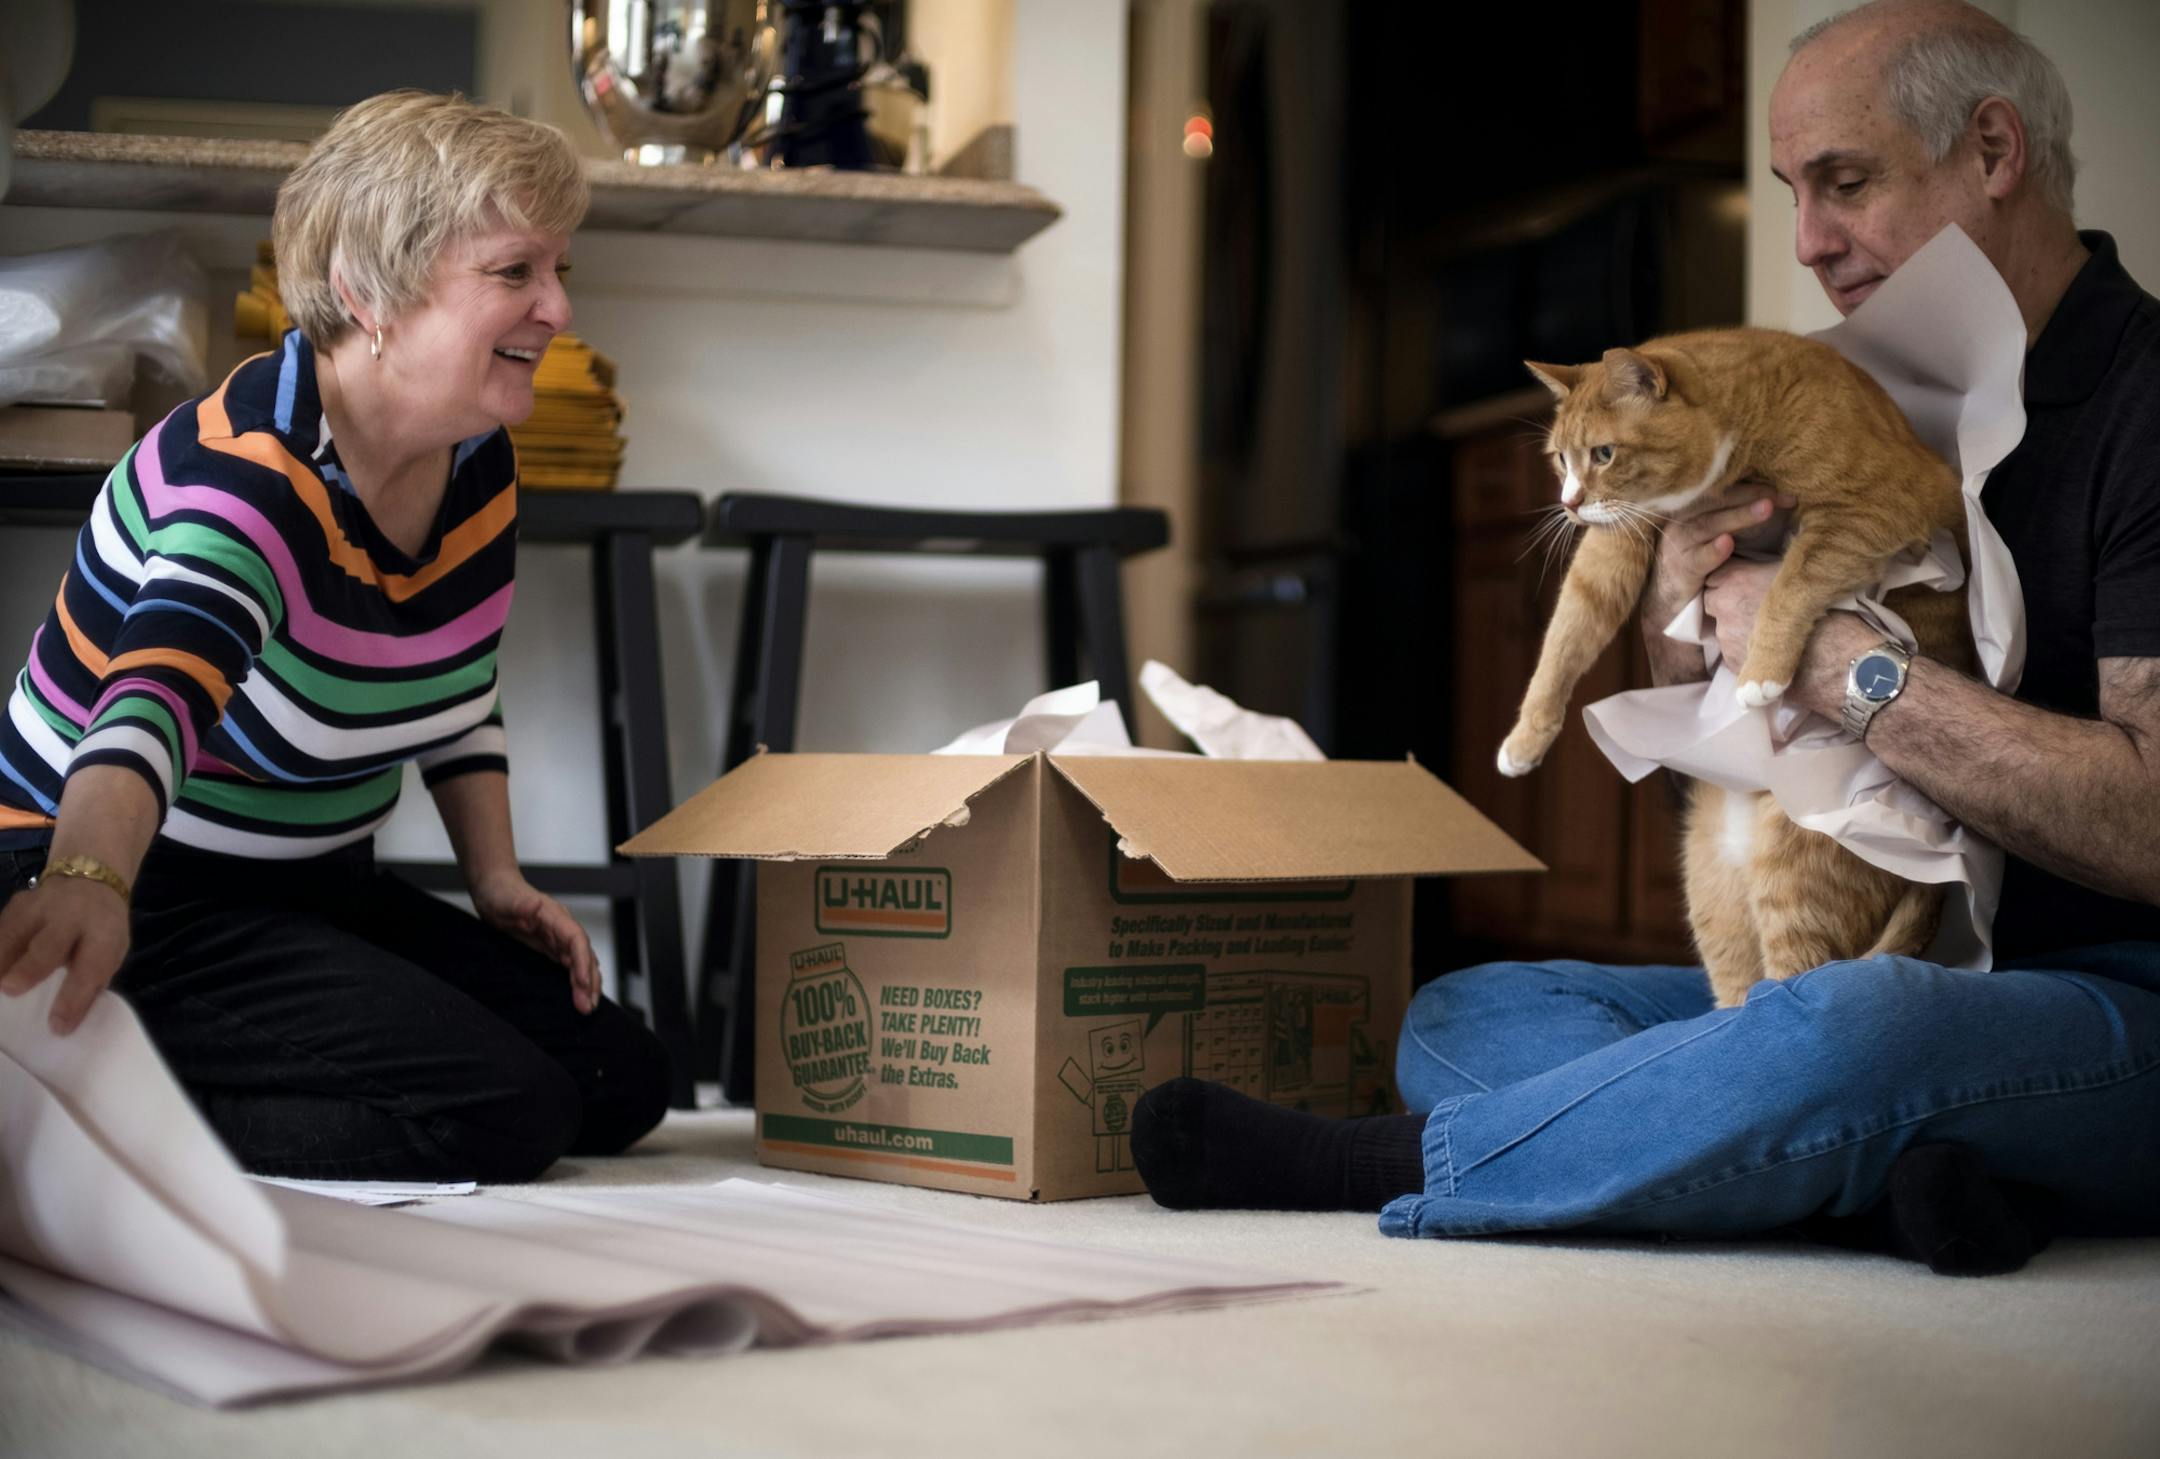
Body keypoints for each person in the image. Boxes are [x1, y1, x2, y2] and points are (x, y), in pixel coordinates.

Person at [1131, 0, 2160, 1273]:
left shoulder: (2145, 402)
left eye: (1845, 184)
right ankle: (1887, 1175)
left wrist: (1847, 666)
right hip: (1881, 959)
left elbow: (2154, 824)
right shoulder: (1866, 382)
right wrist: (1688, 580)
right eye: (1791, 192)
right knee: (1472, 1009)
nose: (1810, 244)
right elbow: (1717, 716)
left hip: (2106, 997)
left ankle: (1387, 1161)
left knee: (1855, 1031)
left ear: (1995, 153)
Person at [0, 91, 670, 1182]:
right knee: (512, 1113)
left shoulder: (476, 457)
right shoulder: (249, 479)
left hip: (310, 883)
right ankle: (69, 1109)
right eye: (514, 273)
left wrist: (495, 878)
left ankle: (142, 1075)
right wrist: (87, 879)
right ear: (370, 294)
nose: (555, 308)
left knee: (624, 1080)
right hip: (123, 887)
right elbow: (150, 701)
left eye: (560, 271)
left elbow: (458, 681)